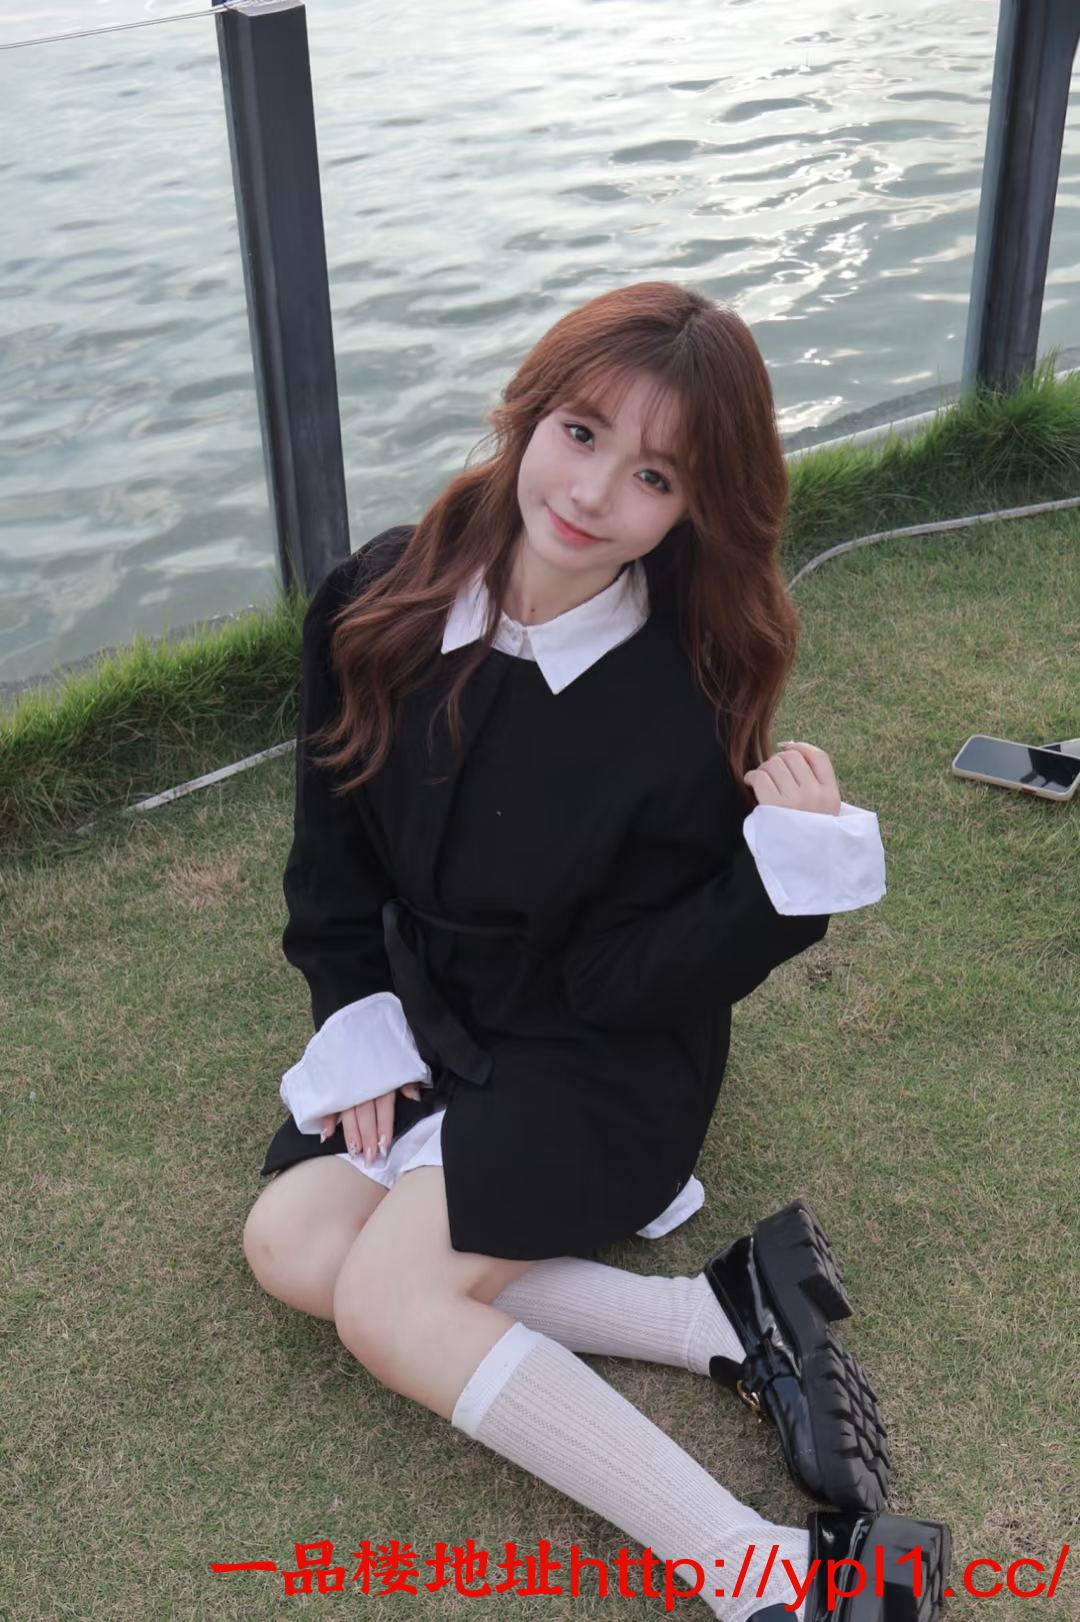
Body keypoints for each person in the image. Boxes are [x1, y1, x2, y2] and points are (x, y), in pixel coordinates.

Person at [243, 283, 950, 1620]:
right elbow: (332, 874)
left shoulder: (682, 692)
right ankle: (718, 1317)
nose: (591, 494)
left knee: (388, 1300)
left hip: (598, 1049)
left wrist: (776, 885)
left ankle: (782, 1576)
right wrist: (358, 1017)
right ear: (529, 412)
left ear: (691, 510)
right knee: (291, 1239)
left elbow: (633, 976)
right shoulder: (375, 598)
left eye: (654, 476)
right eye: (580, 433)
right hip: (434, 1014)